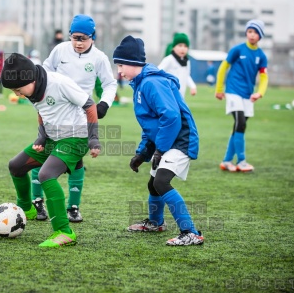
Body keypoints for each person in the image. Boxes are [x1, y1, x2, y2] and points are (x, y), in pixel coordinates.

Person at [1, 53, 101, 247]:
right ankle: (26, 208)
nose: (18, 94)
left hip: (75, 138)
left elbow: (90, 106)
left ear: (30, 79)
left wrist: (94, 139)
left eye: (18, 89)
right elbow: (42, 112)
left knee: (46, 175)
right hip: (52, 138)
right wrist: (42, 136)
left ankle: (64, 231)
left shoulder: (59, 83)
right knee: (16, 166)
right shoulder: (32, 89)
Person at [114, 35, 204, 246]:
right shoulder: (140, 84)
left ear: (133, 63)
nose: (119, 71)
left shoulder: (152, 83)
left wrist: (160, 149)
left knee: (161, 181)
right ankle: (156, 223)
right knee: (153, 184)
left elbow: (171, 117)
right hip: (167, 141)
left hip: (181, 139)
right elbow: (151, 126)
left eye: (120, 65)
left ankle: (191, 232)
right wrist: (142, 153)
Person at [31, 14, 117, 223]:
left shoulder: (99, 58)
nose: (78, 43)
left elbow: (110, 83)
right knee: (40, 153)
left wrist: (104, 103)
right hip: (54, 111)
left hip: (80, 115)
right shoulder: (60, 50)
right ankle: (37, 202)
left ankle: (73, 207)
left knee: (76, 159)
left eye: (83, 39)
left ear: (93, 38)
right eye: (75, 38)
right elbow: (44, 72)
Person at [215, 19, 268, 173]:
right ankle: (242, 161)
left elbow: (264, 76)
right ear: (246, 33)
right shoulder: (237, 50)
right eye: (250, 31)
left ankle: (226, 160)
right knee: (240, 123)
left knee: (238, 126)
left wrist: (260, 93)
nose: (252, 35)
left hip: (248, 95)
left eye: (255, 32)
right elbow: (223, 67)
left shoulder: (261, 56)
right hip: (232, 91)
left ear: (260, 36)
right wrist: (219, 89)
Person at [157, 33, 197, 99]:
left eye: (185, 46)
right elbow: (157, 72)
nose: (183, 49)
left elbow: (186, 76)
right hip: (169, 95)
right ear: (173, 47)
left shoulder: (187, 61)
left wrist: (193, 86)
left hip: (181, 96)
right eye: (180, 45)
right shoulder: (169, 59)